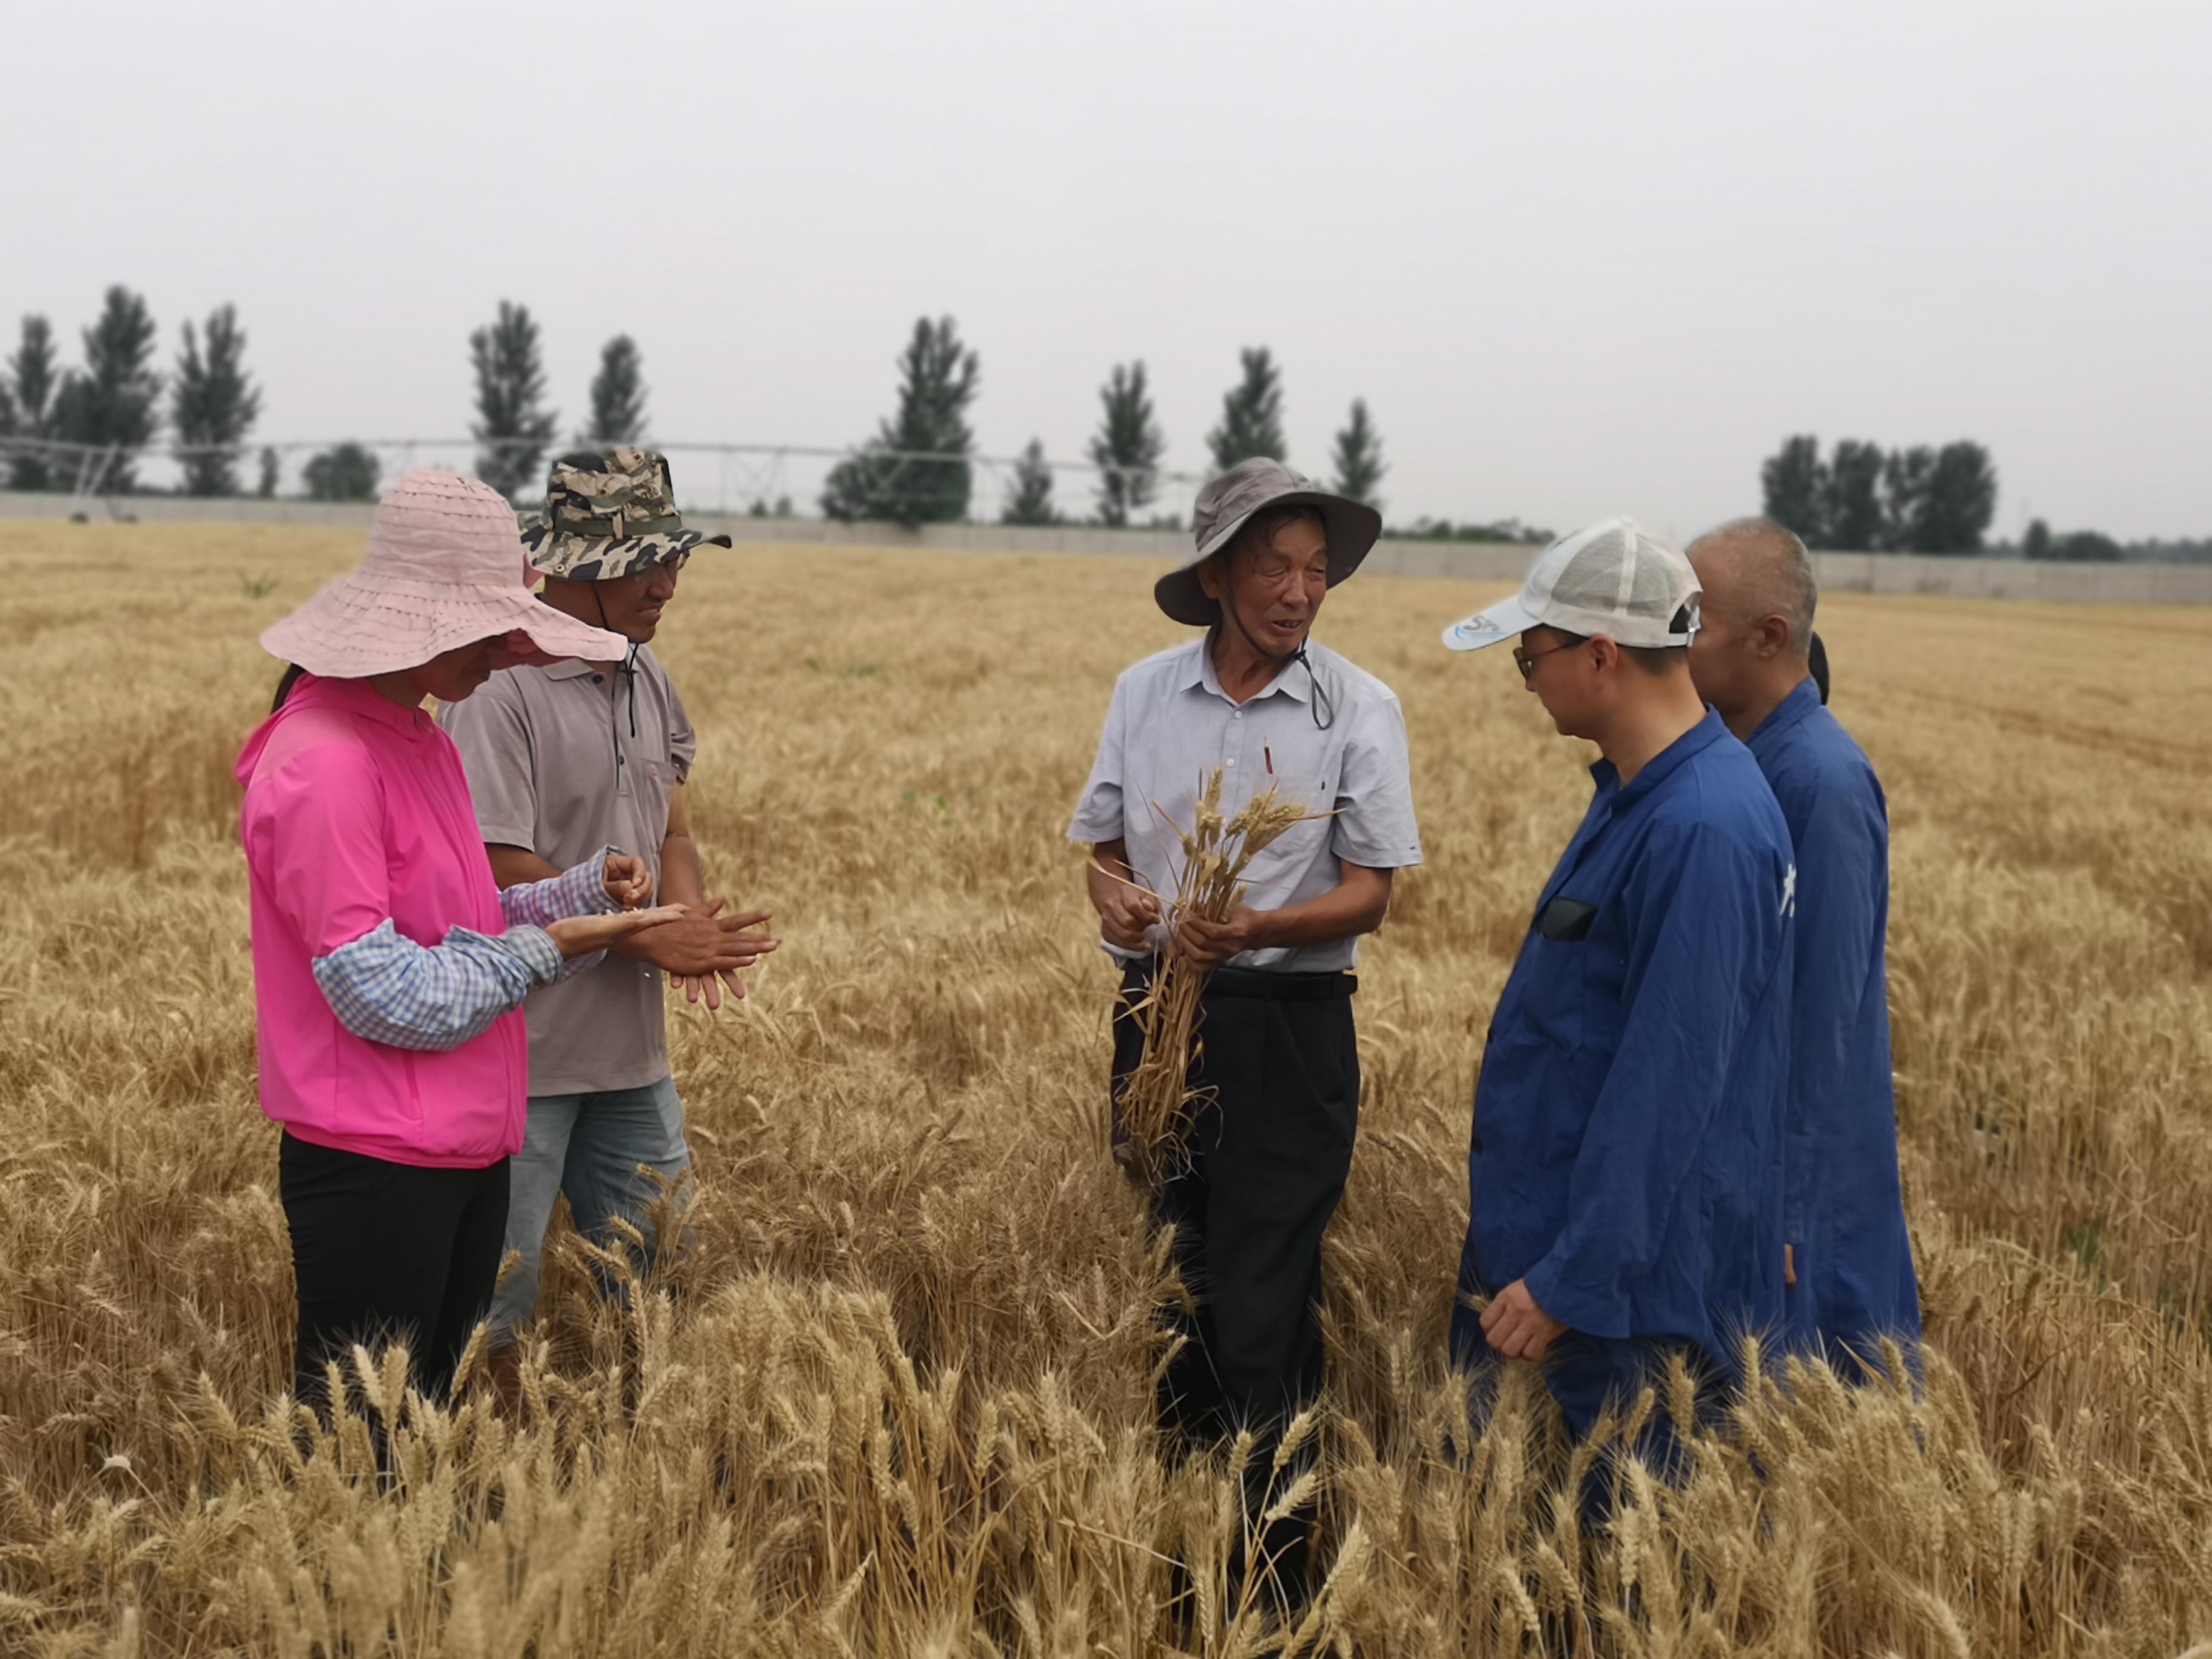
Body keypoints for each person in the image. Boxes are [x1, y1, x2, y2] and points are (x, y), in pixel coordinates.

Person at [240, 469, 684, 1416]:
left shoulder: (417, 737)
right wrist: (553, 947)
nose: (505, 648)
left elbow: (462, 915)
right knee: (366, 1447)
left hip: (462, 1147)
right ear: (420, 626)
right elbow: (378, 987)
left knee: (428, 1425)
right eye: (491, 626)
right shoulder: (324, 763)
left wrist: (578, 889)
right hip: (375, 1165)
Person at [1069, 457, 1422, 1601]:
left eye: (1319, 570)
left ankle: (1276, 1591)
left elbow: (1372, 892)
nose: (1301, 590)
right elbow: (1106, 845)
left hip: (1286, 1029)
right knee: (1177, 1283)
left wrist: (1258, 924)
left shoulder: (1360, 708)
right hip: (1155, 1017)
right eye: (1276, 566)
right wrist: (1115, 896)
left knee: (1263, 1307)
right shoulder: (1143, 693)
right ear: (1218, 574)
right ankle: (1179, 1563)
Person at [1438, 517, 1795, 1453]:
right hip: (1563, 1266)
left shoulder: (1703, 828)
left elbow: (1669, 1087)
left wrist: (1574, 1281)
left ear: (1600, 656)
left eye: (1530, 655)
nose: (1524, 673)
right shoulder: (1643, 795)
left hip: (1622, 1311)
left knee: (1611, 1583)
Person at [440, 448, 777, 1382]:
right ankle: (482, 1484)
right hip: (522, 1057)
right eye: (645, 561)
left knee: (659, 1286)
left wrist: (684, 918)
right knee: (493, 1304)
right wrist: (648, 935)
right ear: (572, 567)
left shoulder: (645, 673)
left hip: (631, 1058)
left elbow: (674, 822)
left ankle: (644, 1475)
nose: (668, 583)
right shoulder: (496, 689)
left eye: (676, 559)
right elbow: (493, 860)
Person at [1686, 518, 1919, 1376]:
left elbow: (1824, 1008)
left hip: (1804, 1178)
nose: (1673, 642)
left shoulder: (1820, 780)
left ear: (1769, 638)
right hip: (1749, 1158)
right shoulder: (1741, 757)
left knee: (1813, 1403)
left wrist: (1787, 1208)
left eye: (1694, 622)